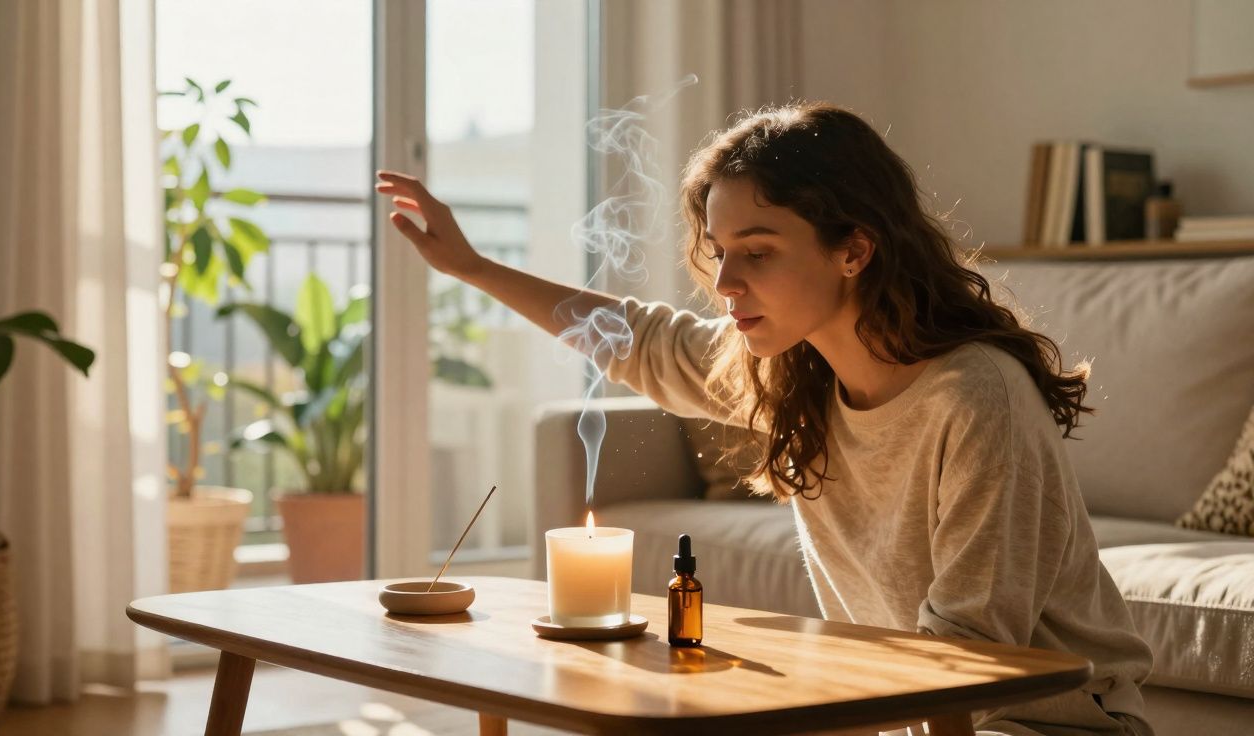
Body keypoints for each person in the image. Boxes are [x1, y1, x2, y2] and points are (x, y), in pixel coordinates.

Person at [376, 101, 1154, 736]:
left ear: (854, 251)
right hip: (918, 717)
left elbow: (969, 657)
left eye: (757, 251)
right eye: (719, 250)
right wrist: (471, 267)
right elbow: (640, 342)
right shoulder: (793, 375)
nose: (725, 281)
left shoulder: (976, 397)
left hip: (1043, 726)